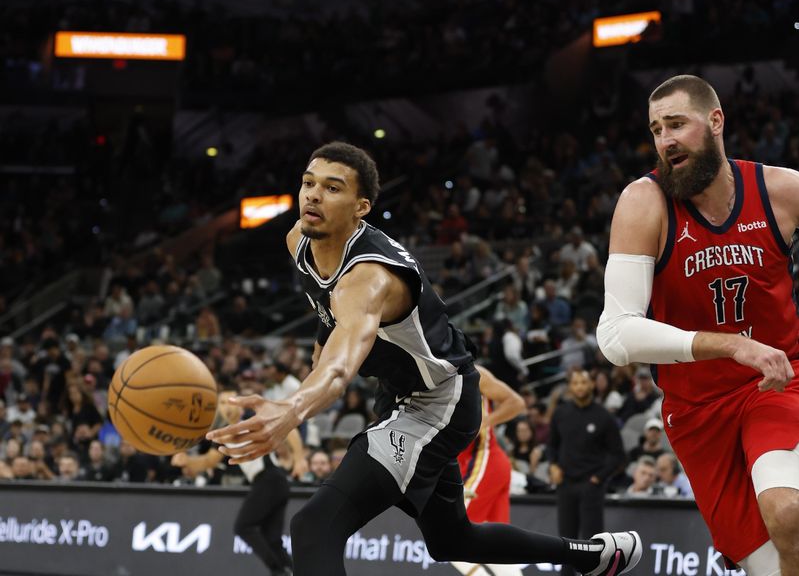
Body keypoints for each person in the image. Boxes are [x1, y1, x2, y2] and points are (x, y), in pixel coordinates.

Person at [208, 141, 641, 576]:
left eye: (332, 188)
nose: (313, 195)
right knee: (452, 539)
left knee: (313, 527)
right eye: (308, 183)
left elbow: (341, 366)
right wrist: (318, 359)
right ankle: (593, 556)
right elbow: (331, 319)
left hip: (439, 400)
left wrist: (292, 408)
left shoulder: (371, 278)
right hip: (398, 395)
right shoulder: (299, 241)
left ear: (361, 207)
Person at [597, 74, 799, 575]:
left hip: (775, 382)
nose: (665, 140)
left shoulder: (779, 189)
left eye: (676, 124)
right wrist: (730, 346)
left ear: (715, 122)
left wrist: (749, 353)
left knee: (788, 512)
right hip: (697, 413)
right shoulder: (644, 203)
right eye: (656, 129)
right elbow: (616, 334)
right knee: (771, 566)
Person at [173, 390, 305, 576]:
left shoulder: (250, 422)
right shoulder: (224, 434)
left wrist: (299, 459)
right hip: (273, 483)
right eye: (223, 403)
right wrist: (186, 462)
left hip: (270, 479)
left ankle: (278, 571)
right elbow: (208, 462)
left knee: (243, 527)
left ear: (239, 405)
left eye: (230, 402)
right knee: (273, 539)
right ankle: (294, 572)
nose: (226, 406)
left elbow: (290, 430)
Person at [548, 370, 627, 576]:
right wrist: (553, 465)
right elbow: (552, 446)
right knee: (565, 542)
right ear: (570, 387)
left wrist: (598, 478)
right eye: (576, 383)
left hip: (591, 486)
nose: (580, 387)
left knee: (593, 542)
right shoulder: (560, 413)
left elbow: (617, 455)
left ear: (591, 384)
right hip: (565, 484)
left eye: (584, 382)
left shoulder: (604, 416)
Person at [452, 364, 526, 576]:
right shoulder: (430, 376)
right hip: (475, 464)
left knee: (448, 533)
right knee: (498, 548)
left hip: (484, 461)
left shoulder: (474, 373)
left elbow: (516, 402)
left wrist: (485, 422)